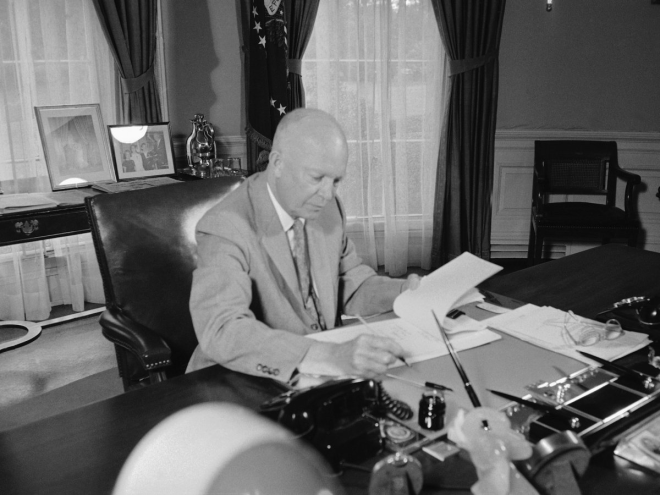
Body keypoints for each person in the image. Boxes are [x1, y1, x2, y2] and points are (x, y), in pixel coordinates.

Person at [187, 108, 420, 383]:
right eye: (316, 178)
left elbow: (351, 284)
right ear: (277, 163)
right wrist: (330, 356)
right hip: (242, 378)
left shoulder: (328, 208)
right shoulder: (226, 225)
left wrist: (404, 291)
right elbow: (222, 329)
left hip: (317, 375)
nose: (328, 194)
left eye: (336, 180)